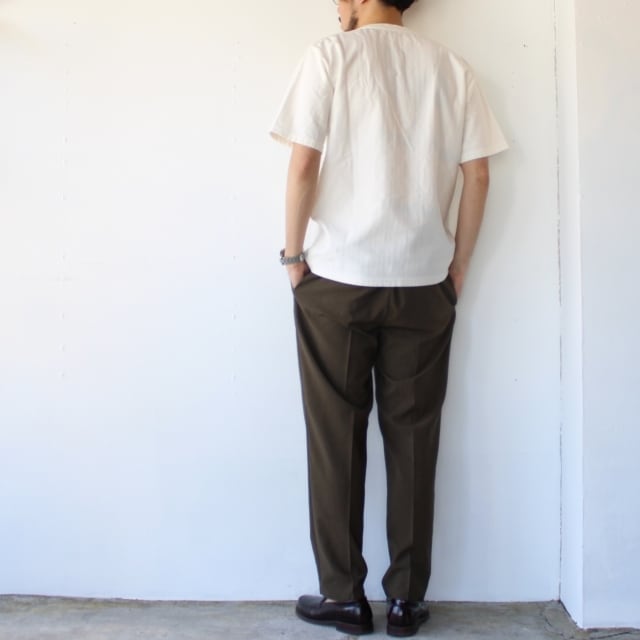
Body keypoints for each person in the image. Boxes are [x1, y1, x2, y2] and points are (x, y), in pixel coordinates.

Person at [270, 0, 507, 636]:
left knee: (335, 440)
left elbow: (303, 164)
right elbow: (479, 175)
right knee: (414, 440)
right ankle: (405, 600)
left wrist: (292, 257)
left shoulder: (330, 56)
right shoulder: (451, 68)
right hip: (423, 284)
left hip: (337, 283)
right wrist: (458, 266)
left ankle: (343, 597)